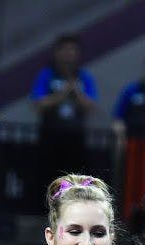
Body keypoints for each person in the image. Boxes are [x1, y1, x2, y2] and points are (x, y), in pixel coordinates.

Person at [31, 34, 98, 183]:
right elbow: (39, 104)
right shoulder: (46, 74)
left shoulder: (84, 76)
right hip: (50, 134)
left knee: (74, 179)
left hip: (76, 136)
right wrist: (63, 93)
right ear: (57, 52)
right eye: (65, 49)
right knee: (47, 176)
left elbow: (91, 106)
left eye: (73, 50)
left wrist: (76, 93)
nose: (69, 54)